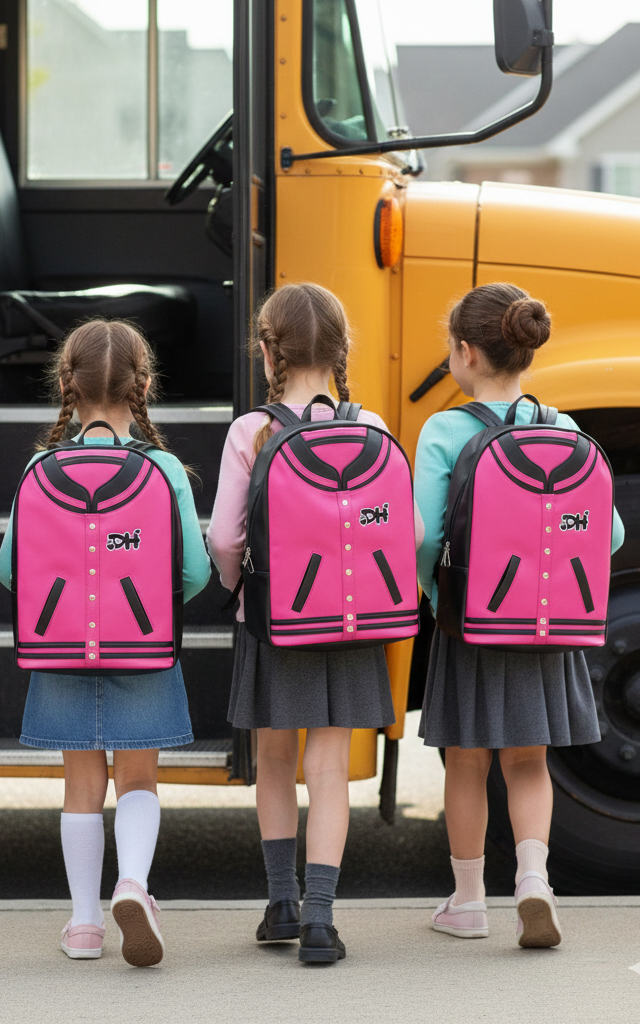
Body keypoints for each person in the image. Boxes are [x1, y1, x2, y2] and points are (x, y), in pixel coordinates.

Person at [207, 282, 423, 964]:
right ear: (340, 351)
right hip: (355, 621)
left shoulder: (253, 429)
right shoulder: (374, 427)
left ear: (267, 349)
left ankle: (281, 903)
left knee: (274, 756)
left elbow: (223, 537)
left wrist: (242, 590)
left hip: (276, 619)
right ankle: (323, 920)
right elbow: (408, 532)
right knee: (328, 765)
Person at [0, 319, 210, 967]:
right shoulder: (164, 468)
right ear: (144, 386)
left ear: (66, 384)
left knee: (80, 783)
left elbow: (10, 572)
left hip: (59, 649)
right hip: (143, 645)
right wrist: (146, 609)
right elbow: (195, 572)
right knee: (138, 778)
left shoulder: (41, 468)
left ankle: (85, 926)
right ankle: (135, 885)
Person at [415, 283, 625, 948]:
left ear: (465, 353)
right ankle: (534, 880)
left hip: (471, 620)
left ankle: (469, 900)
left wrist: (434, 594)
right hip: (547, 621)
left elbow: (422, 535)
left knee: (467, 762)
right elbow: (609, 533)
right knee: (529, 762)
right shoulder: (561, 428)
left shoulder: (445, 430)